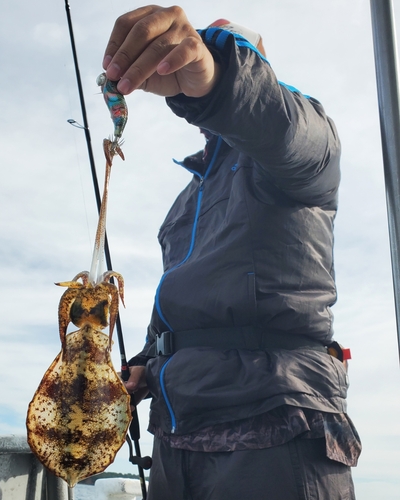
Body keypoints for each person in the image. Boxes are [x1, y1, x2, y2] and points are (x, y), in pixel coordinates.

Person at [102, 5, 361, 499]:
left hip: (275, 424)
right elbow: (176, 313)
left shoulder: (305, 153)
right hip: (175, 436)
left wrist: (217, 73)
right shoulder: (185, 203)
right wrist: (144, 366)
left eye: (235, 53)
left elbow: (277, 122)